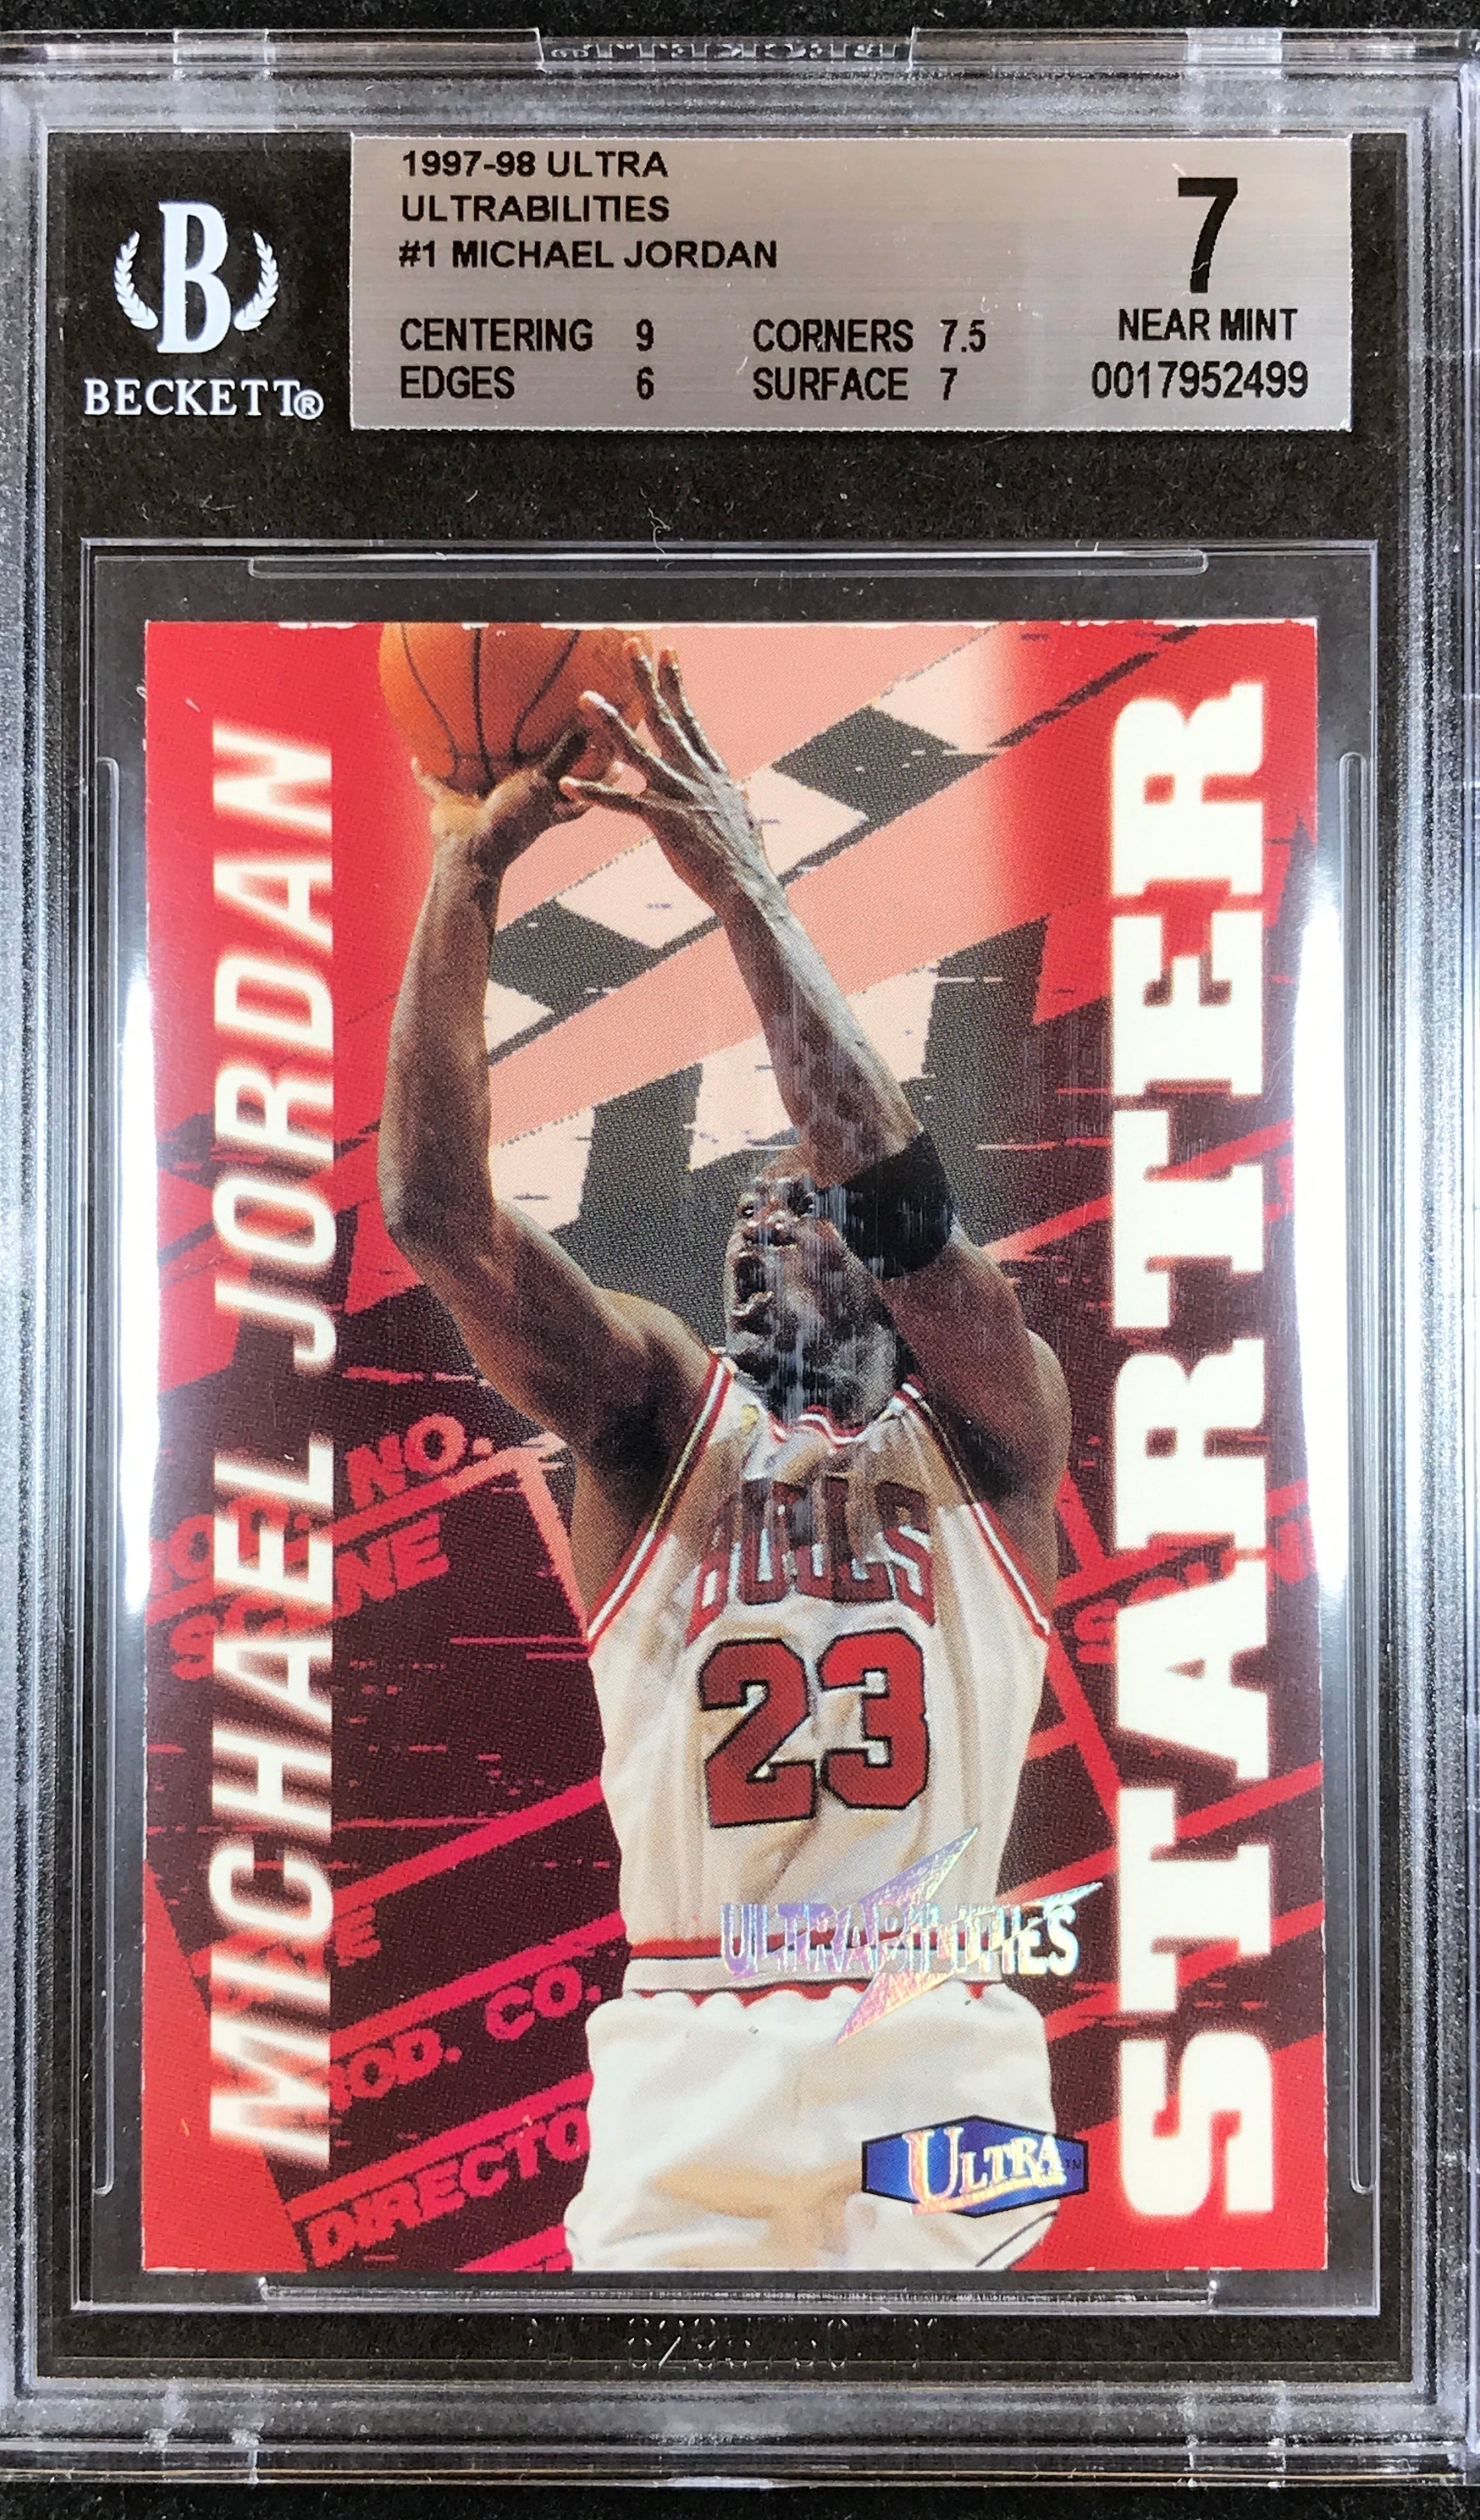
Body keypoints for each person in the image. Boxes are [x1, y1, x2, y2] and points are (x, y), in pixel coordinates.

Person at [380, 648, 1072, 2271]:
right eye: (755, 1210)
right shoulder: (652, 1439)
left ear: (887, 1280)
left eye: (809, 1201)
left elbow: (904, 1209)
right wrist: (466, 872)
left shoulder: (995, 1434)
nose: (777, 1219)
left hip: (942, 2050)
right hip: (691, 2063)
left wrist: (744, 885)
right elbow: (436, 1219)